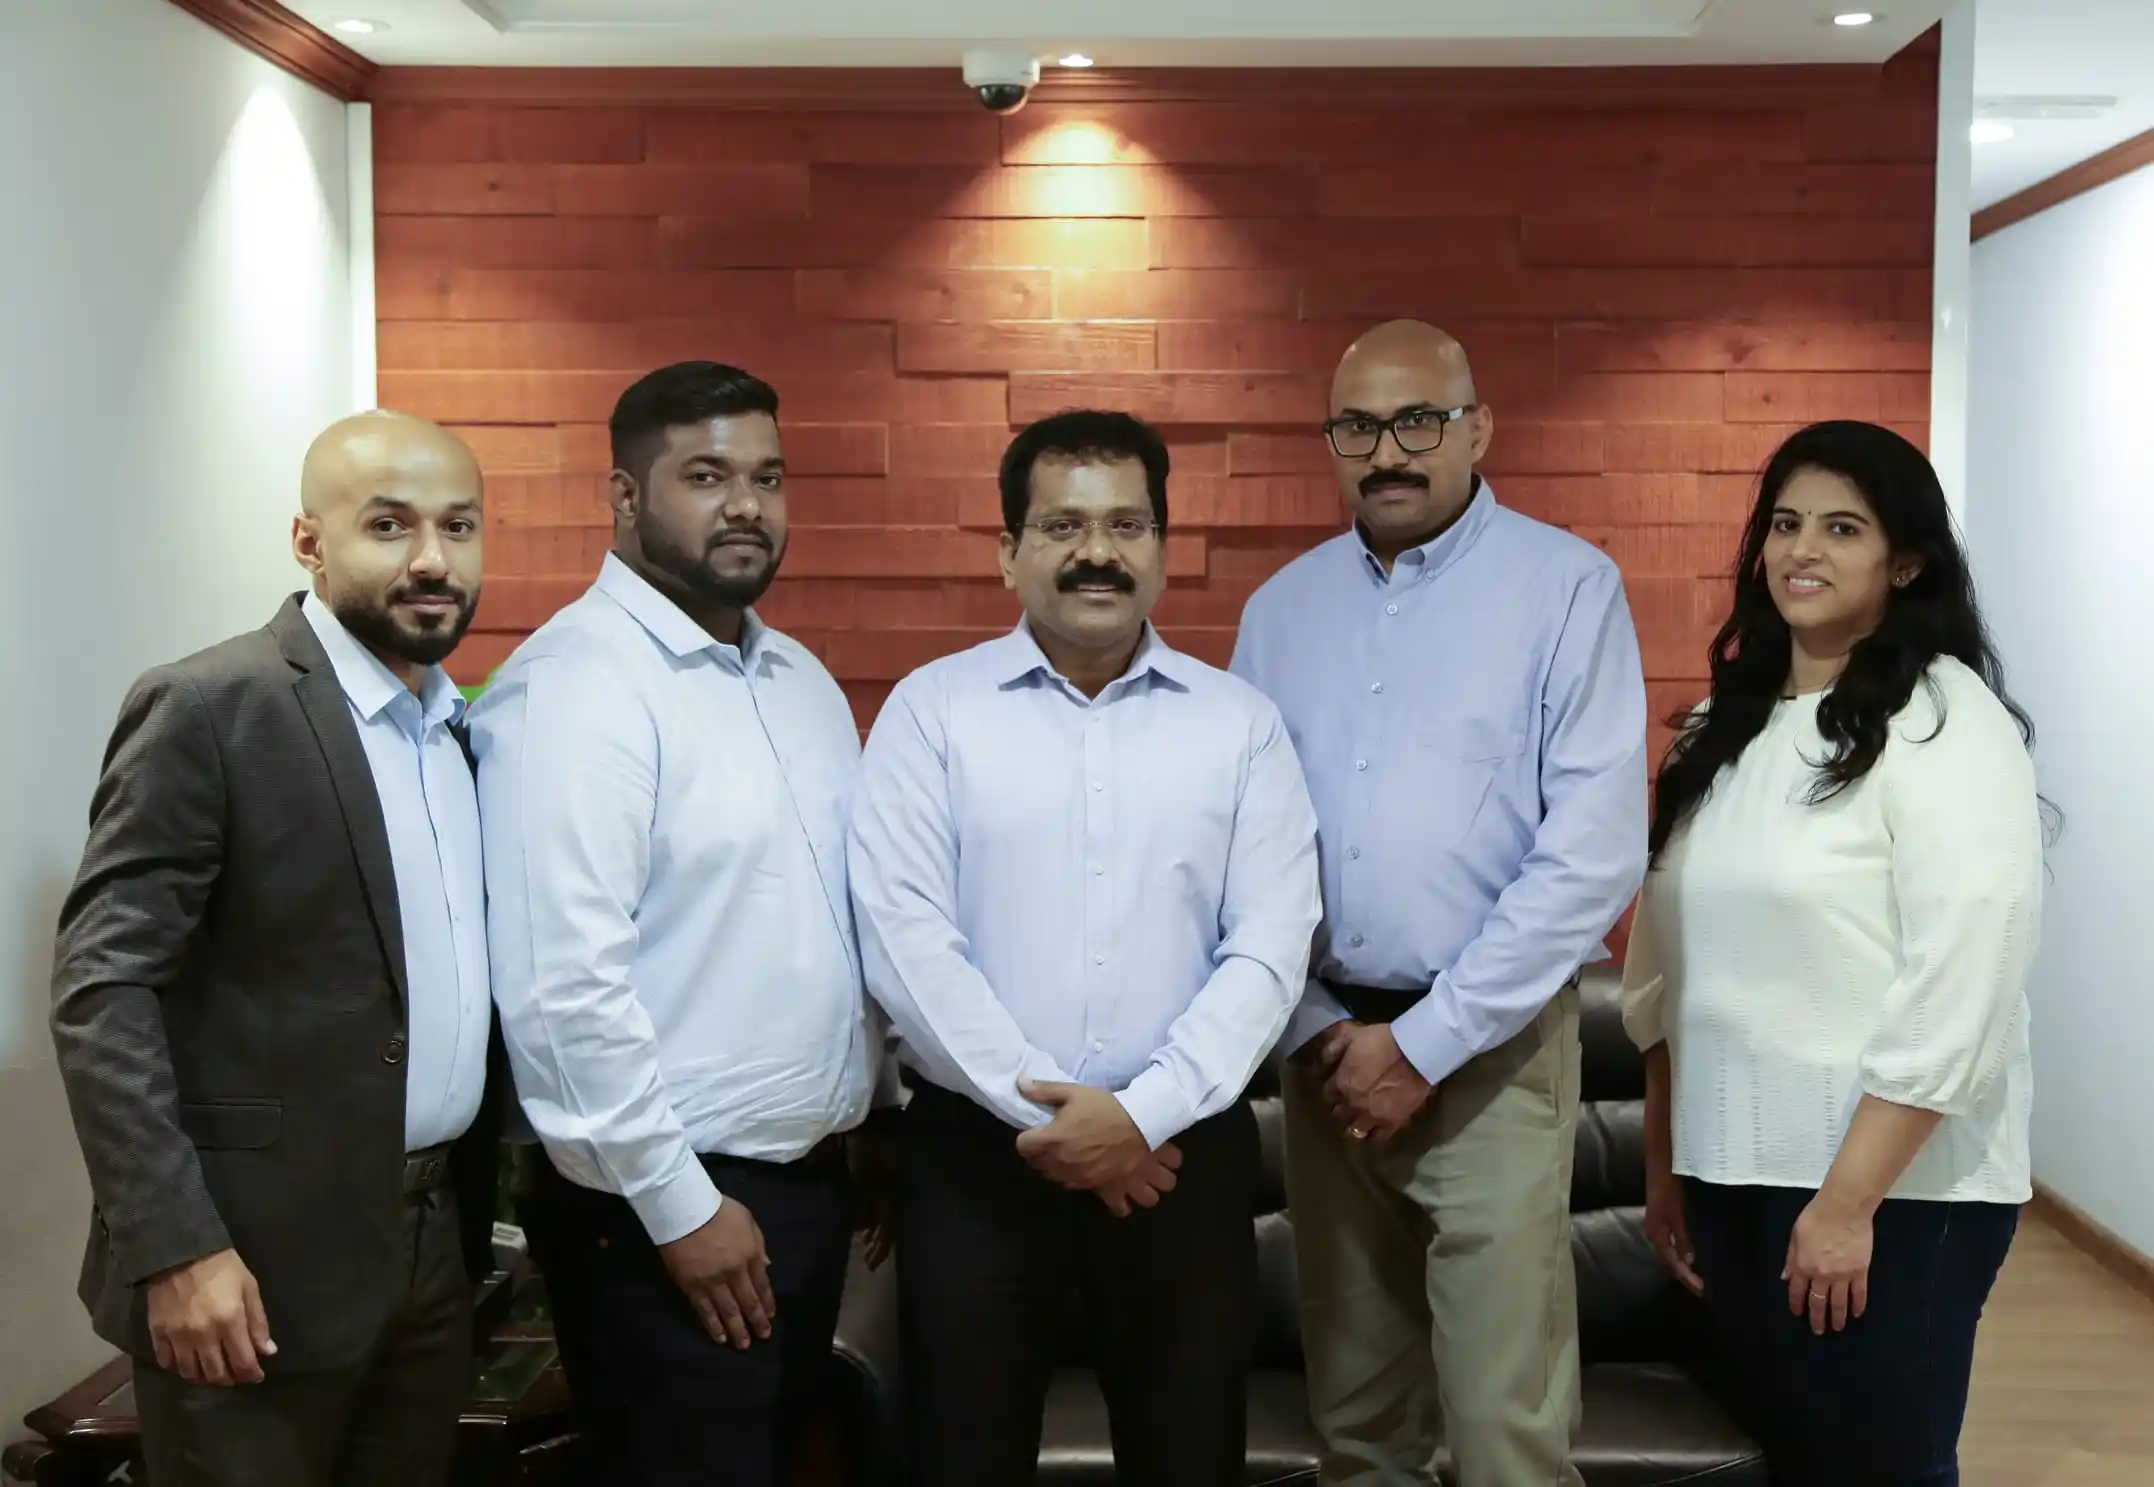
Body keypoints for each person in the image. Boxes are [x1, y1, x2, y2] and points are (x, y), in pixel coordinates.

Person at [847, 409, 1323, 1487]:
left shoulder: (1240, 724)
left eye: (1126, 524)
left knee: (1190, 1462)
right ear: (1008, 550)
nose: (1096, 551)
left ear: (1162, 546)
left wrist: (1143, 1115)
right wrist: (1061, 1123)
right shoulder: (932, 713)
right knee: (962, 1461)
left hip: (1179, 1163)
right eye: (1062, 525)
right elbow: (906, 938)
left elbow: (1270, 944)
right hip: (976, 1165)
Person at [1229, 319, 1649, 1487]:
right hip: (1325, 1062)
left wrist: (1423, 1042)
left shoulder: (1566, 590)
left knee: (1507, 1429)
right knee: (1359, 1424)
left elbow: (1593, 854)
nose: (1388, 452)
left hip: (1492, 1055)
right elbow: (1240, 848)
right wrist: (1320, 1029)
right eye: (1357, 426)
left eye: (1419, 421)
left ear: (1479, 429)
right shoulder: (1280, 612)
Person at [49, 411, 501, 1487]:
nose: (431, 559)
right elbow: (103, 988)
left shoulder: (459, 729)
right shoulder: (212, 705)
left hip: (430, 1248)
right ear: (309, 541)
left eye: (458, 526)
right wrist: (175, 1245)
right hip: (246, 1265)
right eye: (388, 525)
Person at [469, 361, 894, 1487]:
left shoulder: (797, 678)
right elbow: (562, 988)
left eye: (768, 476)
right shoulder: (576, 688)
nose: (746, 505)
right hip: (664, 1208)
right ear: (624, 495)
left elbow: (833, 925)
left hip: (803, 1193)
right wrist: (677, 1205)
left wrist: (876, 1117)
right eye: (705, 476)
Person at [1619, 420, 2042, 1486]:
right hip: (1730, 1176)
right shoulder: (1718, 729)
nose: (1802, 549)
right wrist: (1666, 1164)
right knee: (1789, 1464)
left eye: (1843, 528)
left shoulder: (1947, 719)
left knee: (1880, 1466)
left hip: (1897, 1194)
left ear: (1905, 561)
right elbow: (1668, 976)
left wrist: (1849, 1203)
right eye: (1786, 523)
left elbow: (1967, 972)